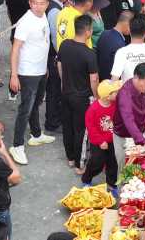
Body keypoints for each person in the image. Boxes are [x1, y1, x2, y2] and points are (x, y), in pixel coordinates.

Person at [9, 0, 56, 165]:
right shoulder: (25, 22)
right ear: (30, 3)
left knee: (36, 102)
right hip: (27, 72)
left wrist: (45, 68)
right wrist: (14, 75)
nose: (38, 6)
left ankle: (36, 134)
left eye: (42, 3)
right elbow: (15, 49)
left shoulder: (43, 16)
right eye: (35, 3)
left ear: (47, 4)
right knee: (25, 108)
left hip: (41, 69)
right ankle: (17, 145)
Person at [111, 13, 145, 139]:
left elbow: (114, 80)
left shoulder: (122, 52)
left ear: (129, 30)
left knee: (129, 140)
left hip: (127, 104)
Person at [58, 15, 99, 173]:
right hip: (82, 97)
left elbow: (60, 66)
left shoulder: (65, 45)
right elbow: (93, 79)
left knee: (67, 126)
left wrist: (65, 82)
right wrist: (95, 97)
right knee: (81, 130)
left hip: (66, 92)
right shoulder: (89, 54)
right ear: (88, 32)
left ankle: (70, 158)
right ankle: (80, 165)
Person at [113, 62, 145, 174]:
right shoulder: (125, 94)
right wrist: (144, 142)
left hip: (139, 133)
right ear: (136, 78)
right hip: (124, 137)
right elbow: (128, 119)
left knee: (142, 168)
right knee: (124, 171)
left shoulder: (143, 89)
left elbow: (142, 110)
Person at [81, 80, 123, 193]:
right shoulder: (93, 109)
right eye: (115, 92)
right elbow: (91, 128)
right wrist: (100, 141)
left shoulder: (115, 104)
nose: (117, 93)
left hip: (113, 140)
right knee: (97, 162)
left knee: (113, 163)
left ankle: (112, 184)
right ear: (107, 96)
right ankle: (86, 178)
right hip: (98, 142)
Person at [46, 0, 72, 134]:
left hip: (53, 55)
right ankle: (53, 121)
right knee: (55, 89)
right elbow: (57, 38)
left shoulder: (56, 5)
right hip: (54, 56)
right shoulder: (55, 11)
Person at [97, 11, 133, 81]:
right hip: (112, 82)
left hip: (101, 78)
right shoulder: (120, 44)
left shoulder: (104, 33)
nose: (131, 30)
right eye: (131, 26)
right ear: (127, 23)